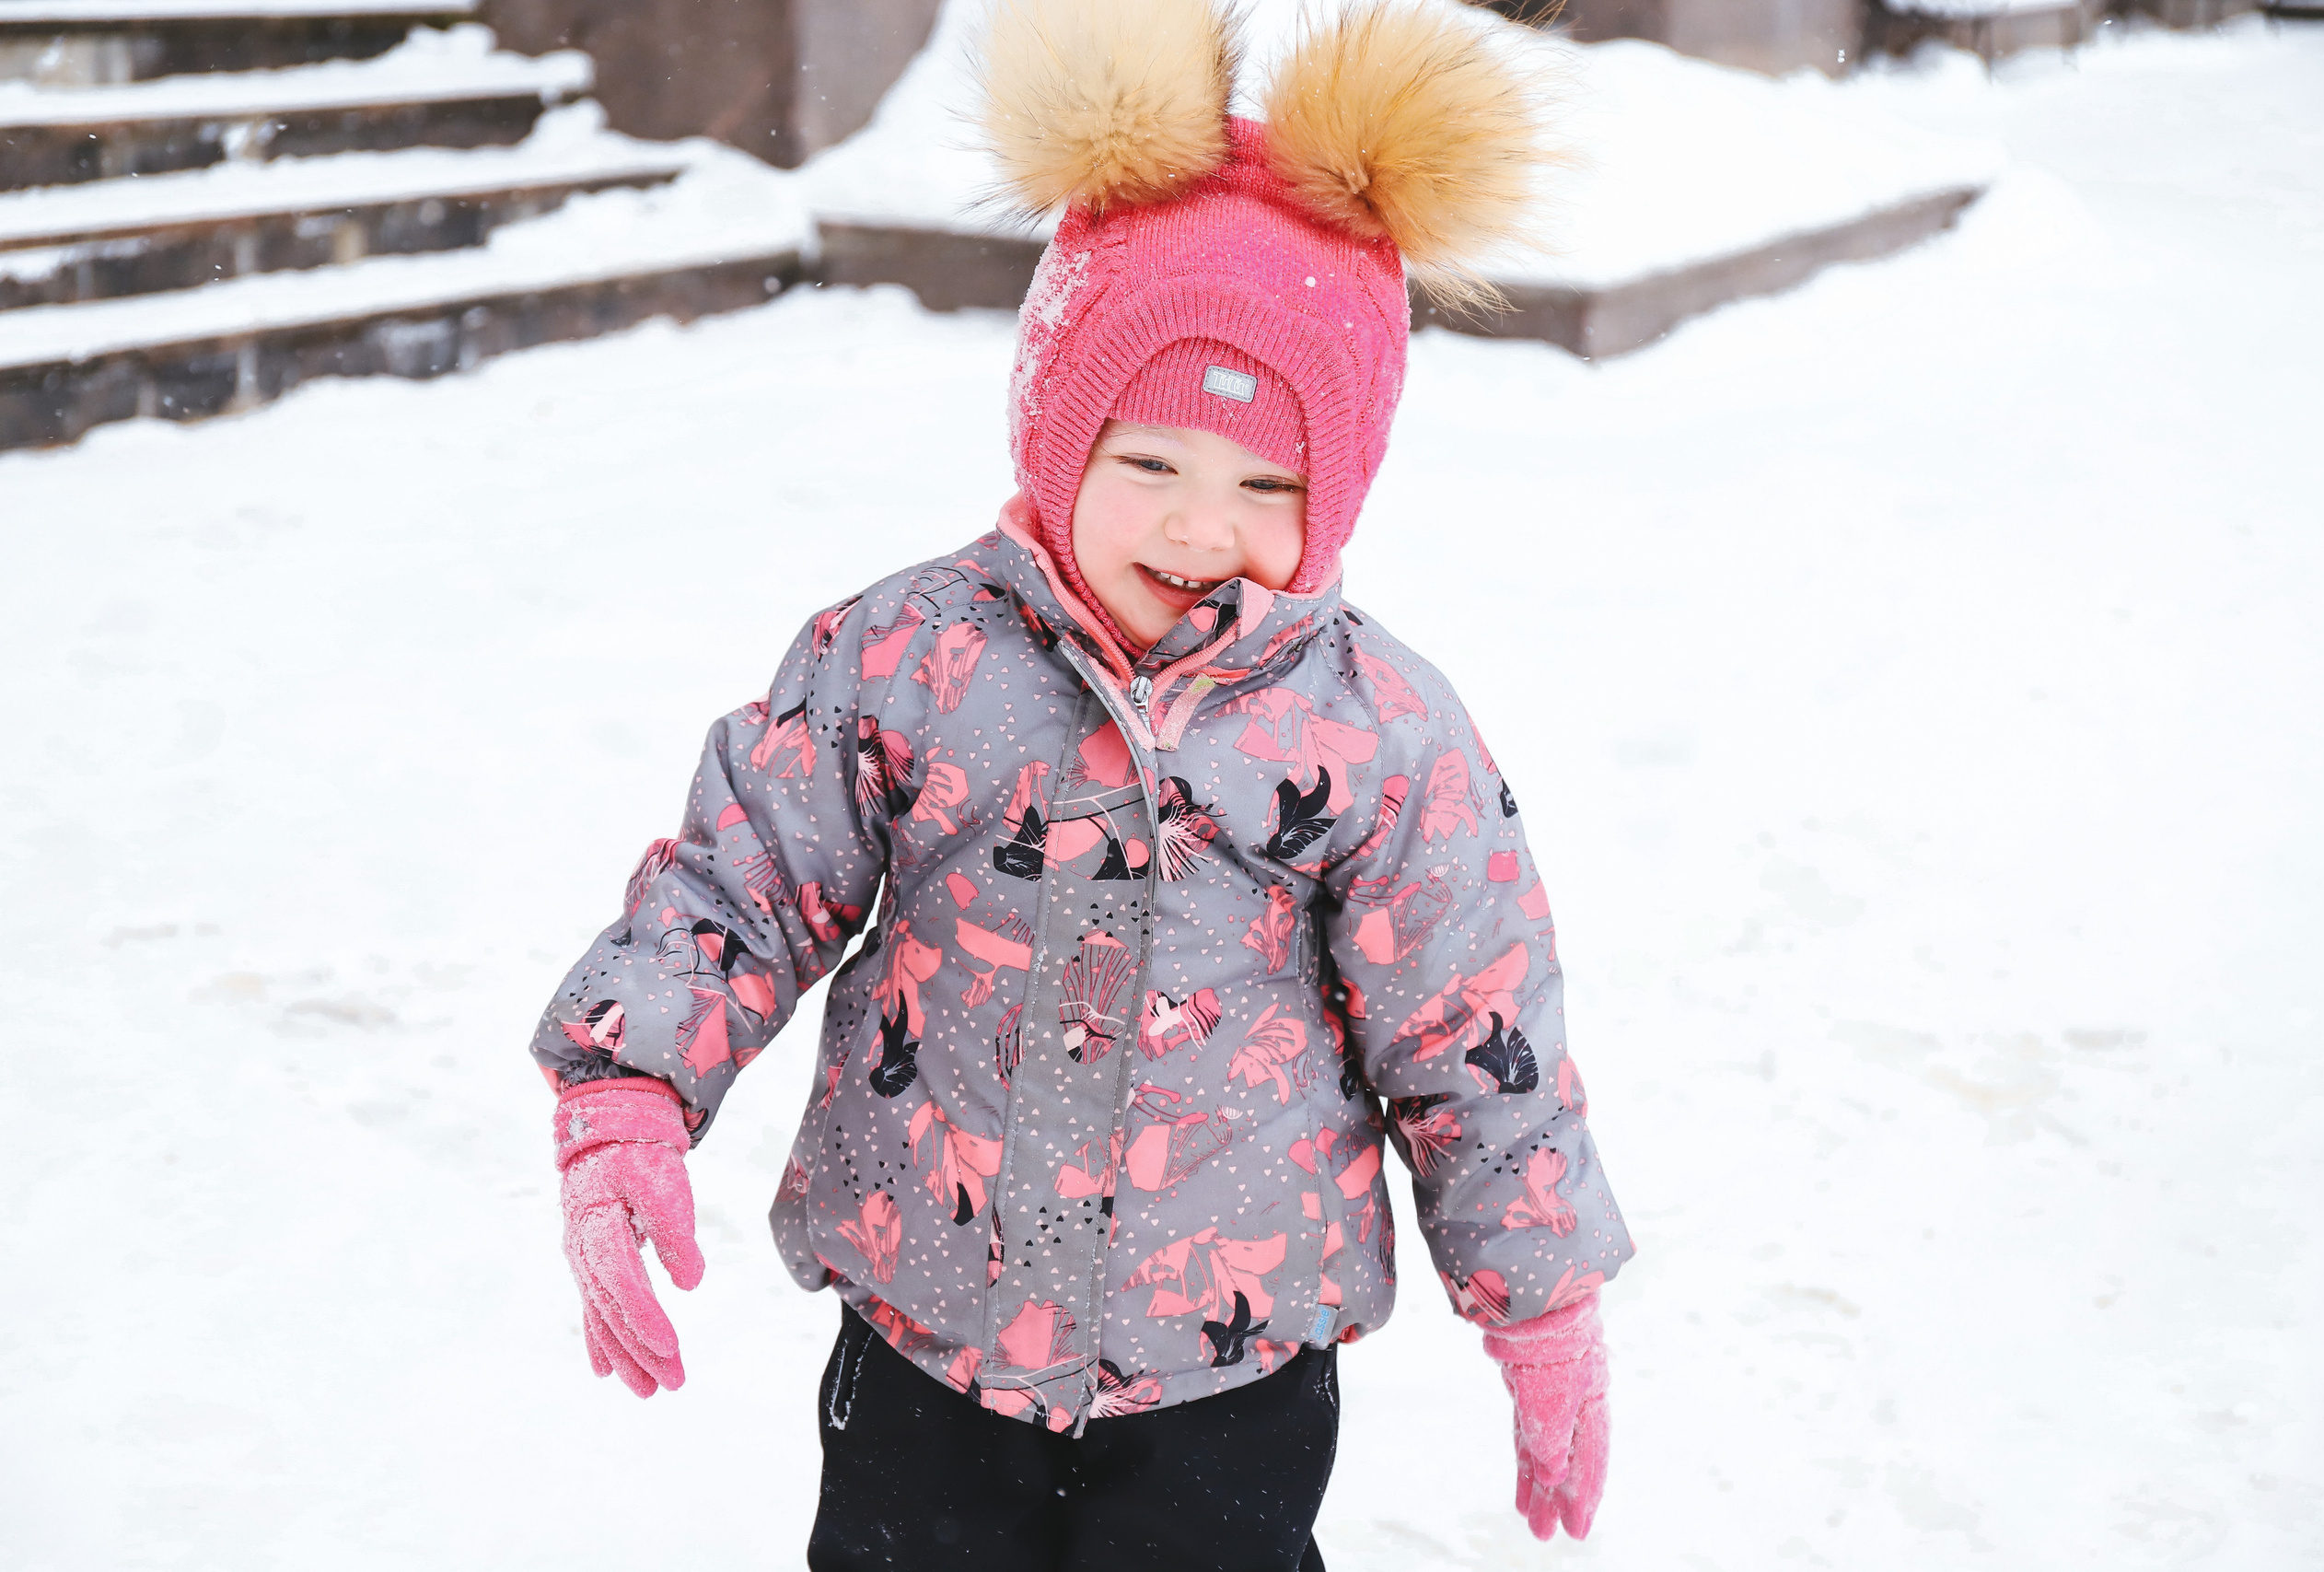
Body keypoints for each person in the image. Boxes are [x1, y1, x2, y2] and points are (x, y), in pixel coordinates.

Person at [531, 2, 1633, 1566]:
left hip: (1226, 1382)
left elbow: (1473, 1025)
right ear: (1060, 430)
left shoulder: (1377, 733)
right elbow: (746, 876)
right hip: (929, 1342)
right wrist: (628, 1092)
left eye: (1268, 485)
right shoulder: (912, 657)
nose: (1200, 526)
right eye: (1150, 463)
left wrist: (1545, 1307)